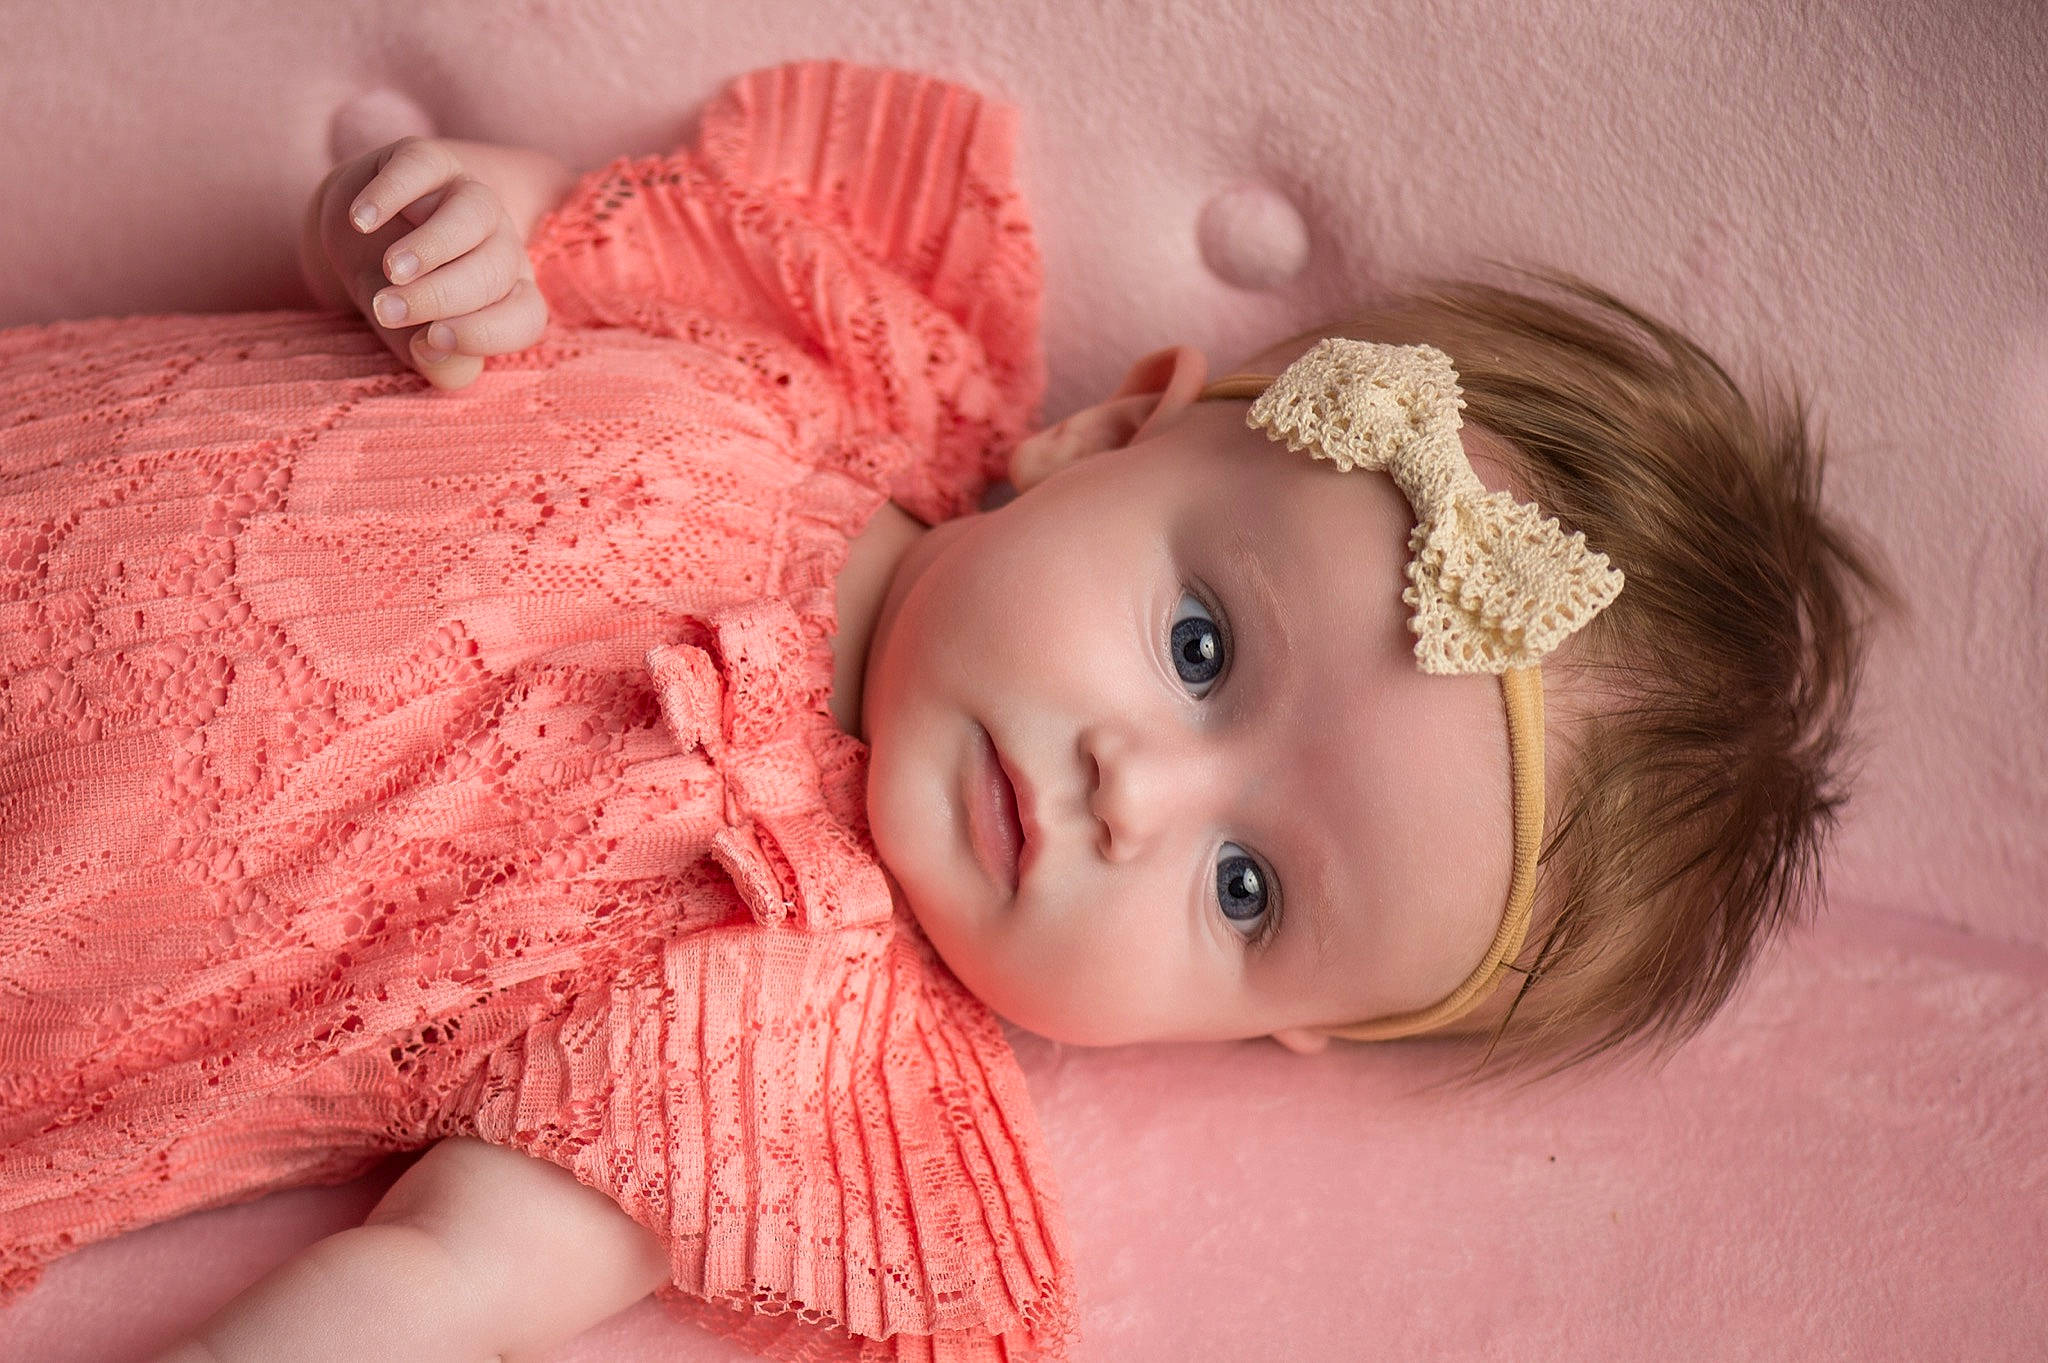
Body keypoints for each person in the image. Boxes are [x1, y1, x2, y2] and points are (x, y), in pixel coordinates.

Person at [0, 57, 1892, 1363]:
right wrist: (420, 240)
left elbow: (442, 1285)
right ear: (1105, 433)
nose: (1130, 798)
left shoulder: (783, 1008)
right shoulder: (838, 345)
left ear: (1273, 1039)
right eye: (1204, 651)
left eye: (1246, 893)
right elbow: (540, 240)